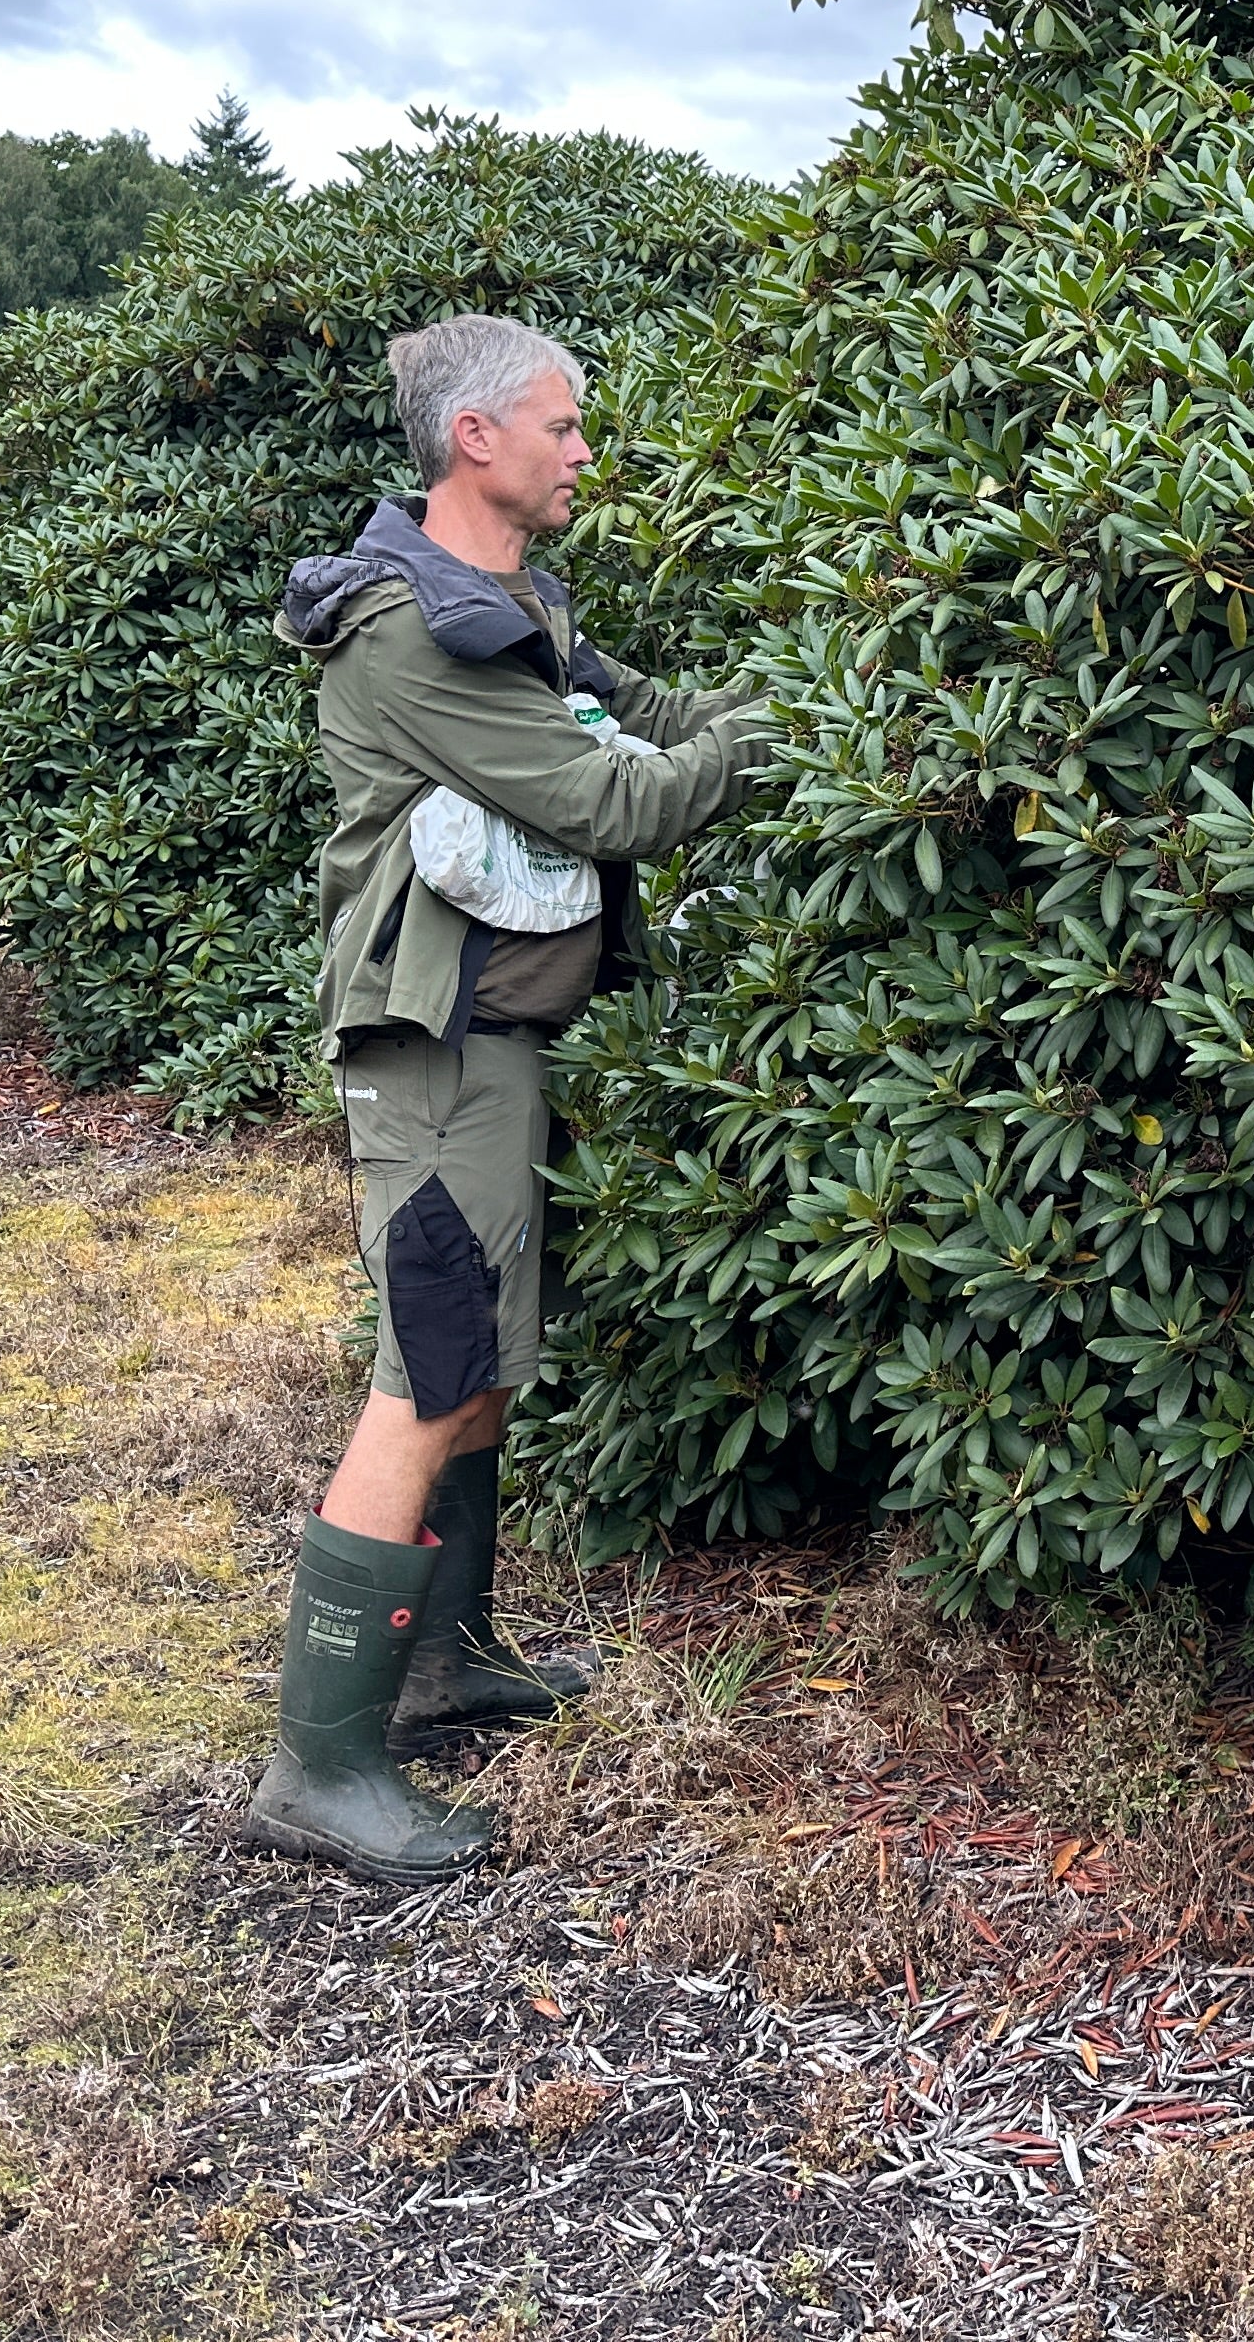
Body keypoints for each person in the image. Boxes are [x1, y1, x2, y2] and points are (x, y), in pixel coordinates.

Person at [248, 312, 772, 1879]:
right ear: (476, 438)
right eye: (563, 424)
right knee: (431, 1366)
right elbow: (612, 795)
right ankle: (317, 1767)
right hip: (436, 1045)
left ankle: (446, 1660)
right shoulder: (413, 628)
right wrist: (772, 739)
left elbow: (651, 713)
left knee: (478, 1363)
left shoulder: (508, 600)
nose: (582, 451)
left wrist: (815, 673)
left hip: (496, 1040)